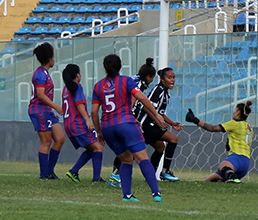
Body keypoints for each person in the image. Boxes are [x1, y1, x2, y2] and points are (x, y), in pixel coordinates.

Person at [92, 54, 167, 202]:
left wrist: (99, 131)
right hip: (125, 123)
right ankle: (156, 194)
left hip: (108, 127)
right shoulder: (126, 81)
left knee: (126, 159)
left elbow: (94, 111)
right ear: (120, 66)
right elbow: (141, 97)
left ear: (105, 68)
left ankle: (127, 195)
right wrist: (156, 114)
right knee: (142, 158)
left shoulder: (98, 86)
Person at [134, 67, 184, 182]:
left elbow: (159, 112)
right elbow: (147, 107)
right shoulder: (159, 90)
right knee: (173, 139)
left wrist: (172, 124)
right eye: (169, 77)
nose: (172, 80)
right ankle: (165, 171)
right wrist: (158, 122)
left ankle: (150, 176)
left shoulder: (165, 92)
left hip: (151, 124)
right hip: (146, 125)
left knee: (160, 147)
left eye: (173, 77)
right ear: (162, 79)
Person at [185, 101, 253, 184]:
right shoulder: (249, 128)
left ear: (238, 112)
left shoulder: (235, 123)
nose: (233, 112)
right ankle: (231, 179)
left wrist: (195, 120)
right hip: (246, 161)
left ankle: (234, 179)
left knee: (222, 167)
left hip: (237, 157)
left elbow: (213, 128)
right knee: (208, 180)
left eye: (235, 110)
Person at [60, 63, 104, 183]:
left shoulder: (66, 89)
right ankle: (96, 179)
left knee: (92, 149)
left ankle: (74, 171)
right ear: (78, 75)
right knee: (98, 146)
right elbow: (79, 104)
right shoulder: (77, 87)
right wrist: (87, 119)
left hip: (69, 125)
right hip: (78, 124)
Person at [28, 42, 65, 180]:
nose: (54, 59)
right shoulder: (40, 75)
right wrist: (55, 106)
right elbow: (40, 94)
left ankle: (50, 171)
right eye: (53, 57)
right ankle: (44, 174)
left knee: (60, 139)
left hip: (45, 110)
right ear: (50, 58)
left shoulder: (44, 73)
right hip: (39, 110)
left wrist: (50, 110)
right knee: (46, 141)